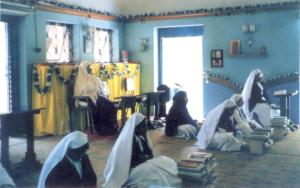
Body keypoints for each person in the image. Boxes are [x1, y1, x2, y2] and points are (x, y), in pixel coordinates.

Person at [103, 112, 181, 188]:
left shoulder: (142, 137)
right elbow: (129, 163)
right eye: (143, 126)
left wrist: (146, 157)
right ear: (136, 127)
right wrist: (144, 157)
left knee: (166, 161)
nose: (145, 128)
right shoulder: (129, 141)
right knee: (155, 172)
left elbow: (149, 153)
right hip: (132, 171)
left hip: (144, 164)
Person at [74, 62, 118, 135]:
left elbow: (99, 88)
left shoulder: (93, 77)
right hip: (85, 98)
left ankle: (111, 127)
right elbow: (79, 92)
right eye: (88, 68)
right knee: (100, 106)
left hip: (96, 96)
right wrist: (90, 95)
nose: (90, 69)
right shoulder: (80, 79)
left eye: (90, 68)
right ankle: (101, 129)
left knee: (110, 105)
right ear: (84, 69)